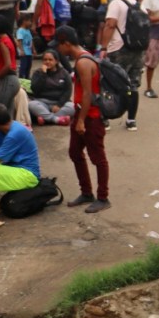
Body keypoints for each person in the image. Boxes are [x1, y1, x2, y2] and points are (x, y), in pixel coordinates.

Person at [56, 26, 110, 214]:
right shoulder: (82, 58)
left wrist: (81, 120)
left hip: (91, 116)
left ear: (67, 43)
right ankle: (86, 192)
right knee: (75, 152)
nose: (58, 50)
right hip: (82, 114)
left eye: (59, 45)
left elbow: (88, 93)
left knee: (98, 158)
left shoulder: (83, 63)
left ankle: (103, 197)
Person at [99, 0, 145, 130]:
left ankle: (105, 119)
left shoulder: (116, 3)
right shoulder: (141, 6)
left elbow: (110, 24)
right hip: (138, 51)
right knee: (133, 85)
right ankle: (131, 121)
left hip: (119, 49)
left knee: (111, 83)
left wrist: (104, 47)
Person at [28, 49, 74, 126]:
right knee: (31, 105)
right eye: (45, 60)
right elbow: (35, 89)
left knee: (72, 107)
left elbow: (68, 91)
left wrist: (59, 104)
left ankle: (45, 118)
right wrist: (43, 74)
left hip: (59, 103)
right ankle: (56, 119)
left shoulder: (64, 73)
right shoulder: (38, 73)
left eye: (50, 60)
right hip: (42, 102)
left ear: (56, 61)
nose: (47, 62)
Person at [16, 14, 34, 79]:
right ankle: (21, 78)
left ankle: (27, 78)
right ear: (24, 21)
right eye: (29, 21)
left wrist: (33, 50)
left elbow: (31, 40)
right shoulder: (20, 30)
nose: (30, 23)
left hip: (29, 52)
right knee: (23, 66)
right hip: (24, 53)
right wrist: (21, 50)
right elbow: (19, 41)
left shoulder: (28, 30)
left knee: (29, 66)